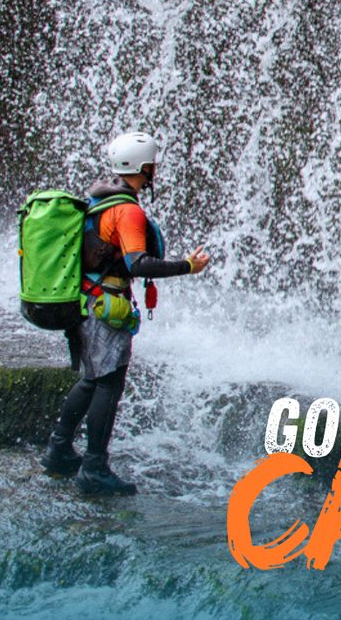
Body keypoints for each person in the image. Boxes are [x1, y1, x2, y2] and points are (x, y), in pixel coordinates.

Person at [40, 132, 213, 495]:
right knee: (108, 383)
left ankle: (59, 450)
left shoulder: (99, 199)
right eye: (153, 167)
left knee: (91, 379)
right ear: (146, 168)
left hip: (84, 301)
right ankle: (94, 468)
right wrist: (187, 266)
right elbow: (138, 264)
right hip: (105, 306)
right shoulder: (128, 209)